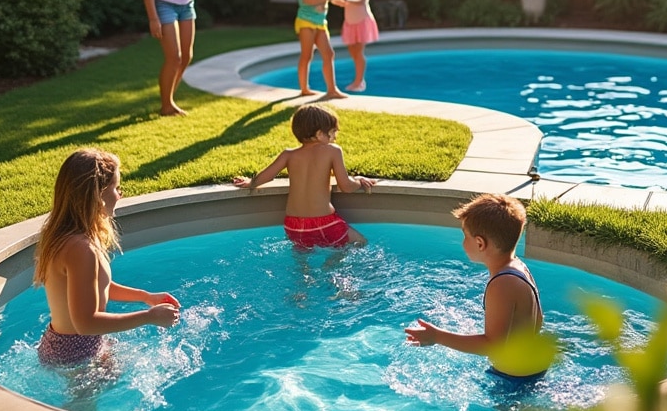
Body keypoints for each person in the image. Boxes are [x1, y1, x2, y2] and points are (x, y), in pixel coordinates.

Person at [33, 149, 181, 367]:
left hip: (65, 344)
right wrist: (148, 317)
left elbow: (96, 287)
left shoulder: (69, 238)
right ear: (97, 195)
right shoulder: (82, 249)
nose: (120, 195)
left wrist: (145, 296)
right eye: (116, 187)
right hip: (75, 353)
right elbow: (85, 323)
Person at [405, 193, 546, 384]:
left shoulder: (502, 284)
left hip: (513, 379)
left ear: (480, 243)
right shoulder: (518, 268)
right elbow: (537, 321)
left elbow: (492, 345)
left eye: (465, 236)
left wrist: (437, 336)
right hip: (531, 369)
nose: (463, 243)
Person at [231, 103, 375, 250]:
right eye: (332, 132)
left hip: (293, 226)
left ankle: (303, 270)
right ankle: (330, 266)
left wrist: (251, 183)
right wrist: (359, 181)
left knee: (303, 255)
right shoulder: (332, 151)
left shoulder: (288, 154)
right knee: (360, 242)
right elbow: (346, 186)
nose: (335, 137)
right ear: (319, 134)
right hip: (324, 224)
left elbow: (267, 176)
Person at [291, 0, 345, 99]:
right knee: (307, 55)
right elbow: (308, 0)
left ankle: (332, 89)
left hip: (321, 22)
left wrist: (337, 0)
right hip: (306, 22)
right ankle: (304, 88)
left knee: (329, 53)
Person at [330, 0, 380, 92]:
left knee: (358, 52)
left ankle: (359, 81)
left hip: (362, 22)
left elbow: (360, 0)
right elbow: (342, 1)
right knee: (353, 51)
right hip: (350, 22)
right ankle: (358, 79)